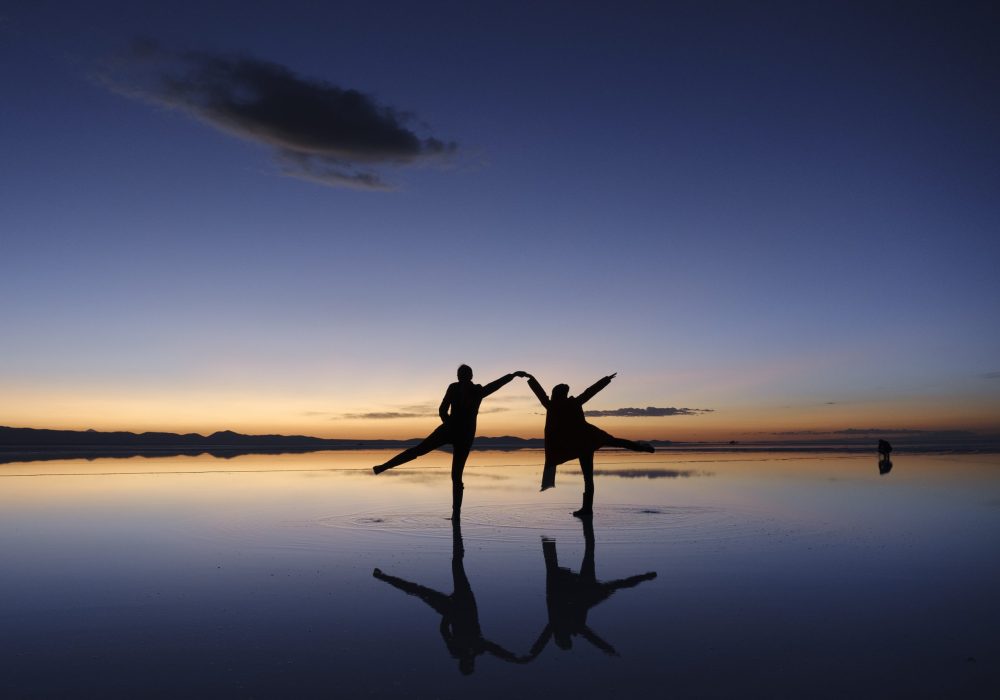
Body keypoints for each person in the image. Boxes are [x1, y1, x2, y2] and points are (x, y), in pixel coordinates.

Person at [372, 520, 525, 674]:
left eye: (467, 663)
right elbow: (496, 650)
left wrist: (448, 615)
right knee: (454, 567)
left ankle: (382, 576)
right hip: (466, 604)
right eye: (471, 664)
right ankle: (456, 532)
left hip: (452, 610)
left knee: (418, 590)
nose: (469, 660)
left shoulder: (457, 650)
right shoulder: (477, 648)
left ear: (462, 663)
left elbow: (444, 631)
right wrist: (515, 658)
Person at [373, 365, 528, 517]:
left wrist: (512, 376)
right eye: (460, 375)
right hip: (452, 430)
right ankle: (384, 466)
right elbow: (442, 409)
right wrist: (449, 424)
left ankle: (456, 514)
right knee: (421, 452)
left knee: (454, 474)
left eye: (462, 375)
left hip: (463, 435)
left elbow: (495, 385)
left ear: (468, 376)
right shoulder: (457, 388)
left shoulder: (476, 391)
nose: (461, 377)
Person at [525, 372, 654, 518]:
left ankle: (587, 509)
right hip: (588, 438)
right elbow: (590, 392)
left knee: (588, 478)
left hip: (578, 444)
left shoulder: (551, 405)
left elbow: (541, 393)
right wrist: (605, 380)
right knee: (616, 442)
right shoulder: (574, 402)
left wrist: (530, 378)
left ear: (555, 394)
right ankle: (642, 447)